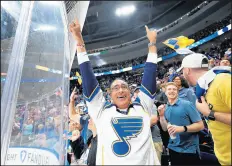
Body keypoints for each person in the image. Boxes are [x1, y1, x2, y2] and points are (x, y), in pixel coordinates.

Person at [69, 19, 160, 165]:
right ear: (110, 95)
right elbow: (88, 78)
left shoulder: (143, 106)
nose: (121, 89)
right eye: (116, 88)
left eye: (124, 87)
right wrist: (79, 41)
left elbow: (149, 74)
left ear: (130, 92)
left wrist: (152, 44)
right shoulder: (101, 111)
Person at [177, 52, 231, 165]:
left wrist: (209, 113)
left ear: (187, 70)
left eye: (183, 72)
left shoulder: (223, 81)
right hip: (224, 157)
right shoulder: (206, 87)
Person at [158, 82, 204, 165]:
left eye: (174, 89)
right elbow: (165, 128)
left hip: (189, 149)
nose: (171, 91)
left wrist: (183, 128)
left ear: (177, 92)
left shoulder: (187, 104)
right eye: (169, 89)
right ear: (165, 92)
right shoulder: (166, 107)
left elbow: (201, 126)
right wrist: (161, 116)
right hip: (173, 148)